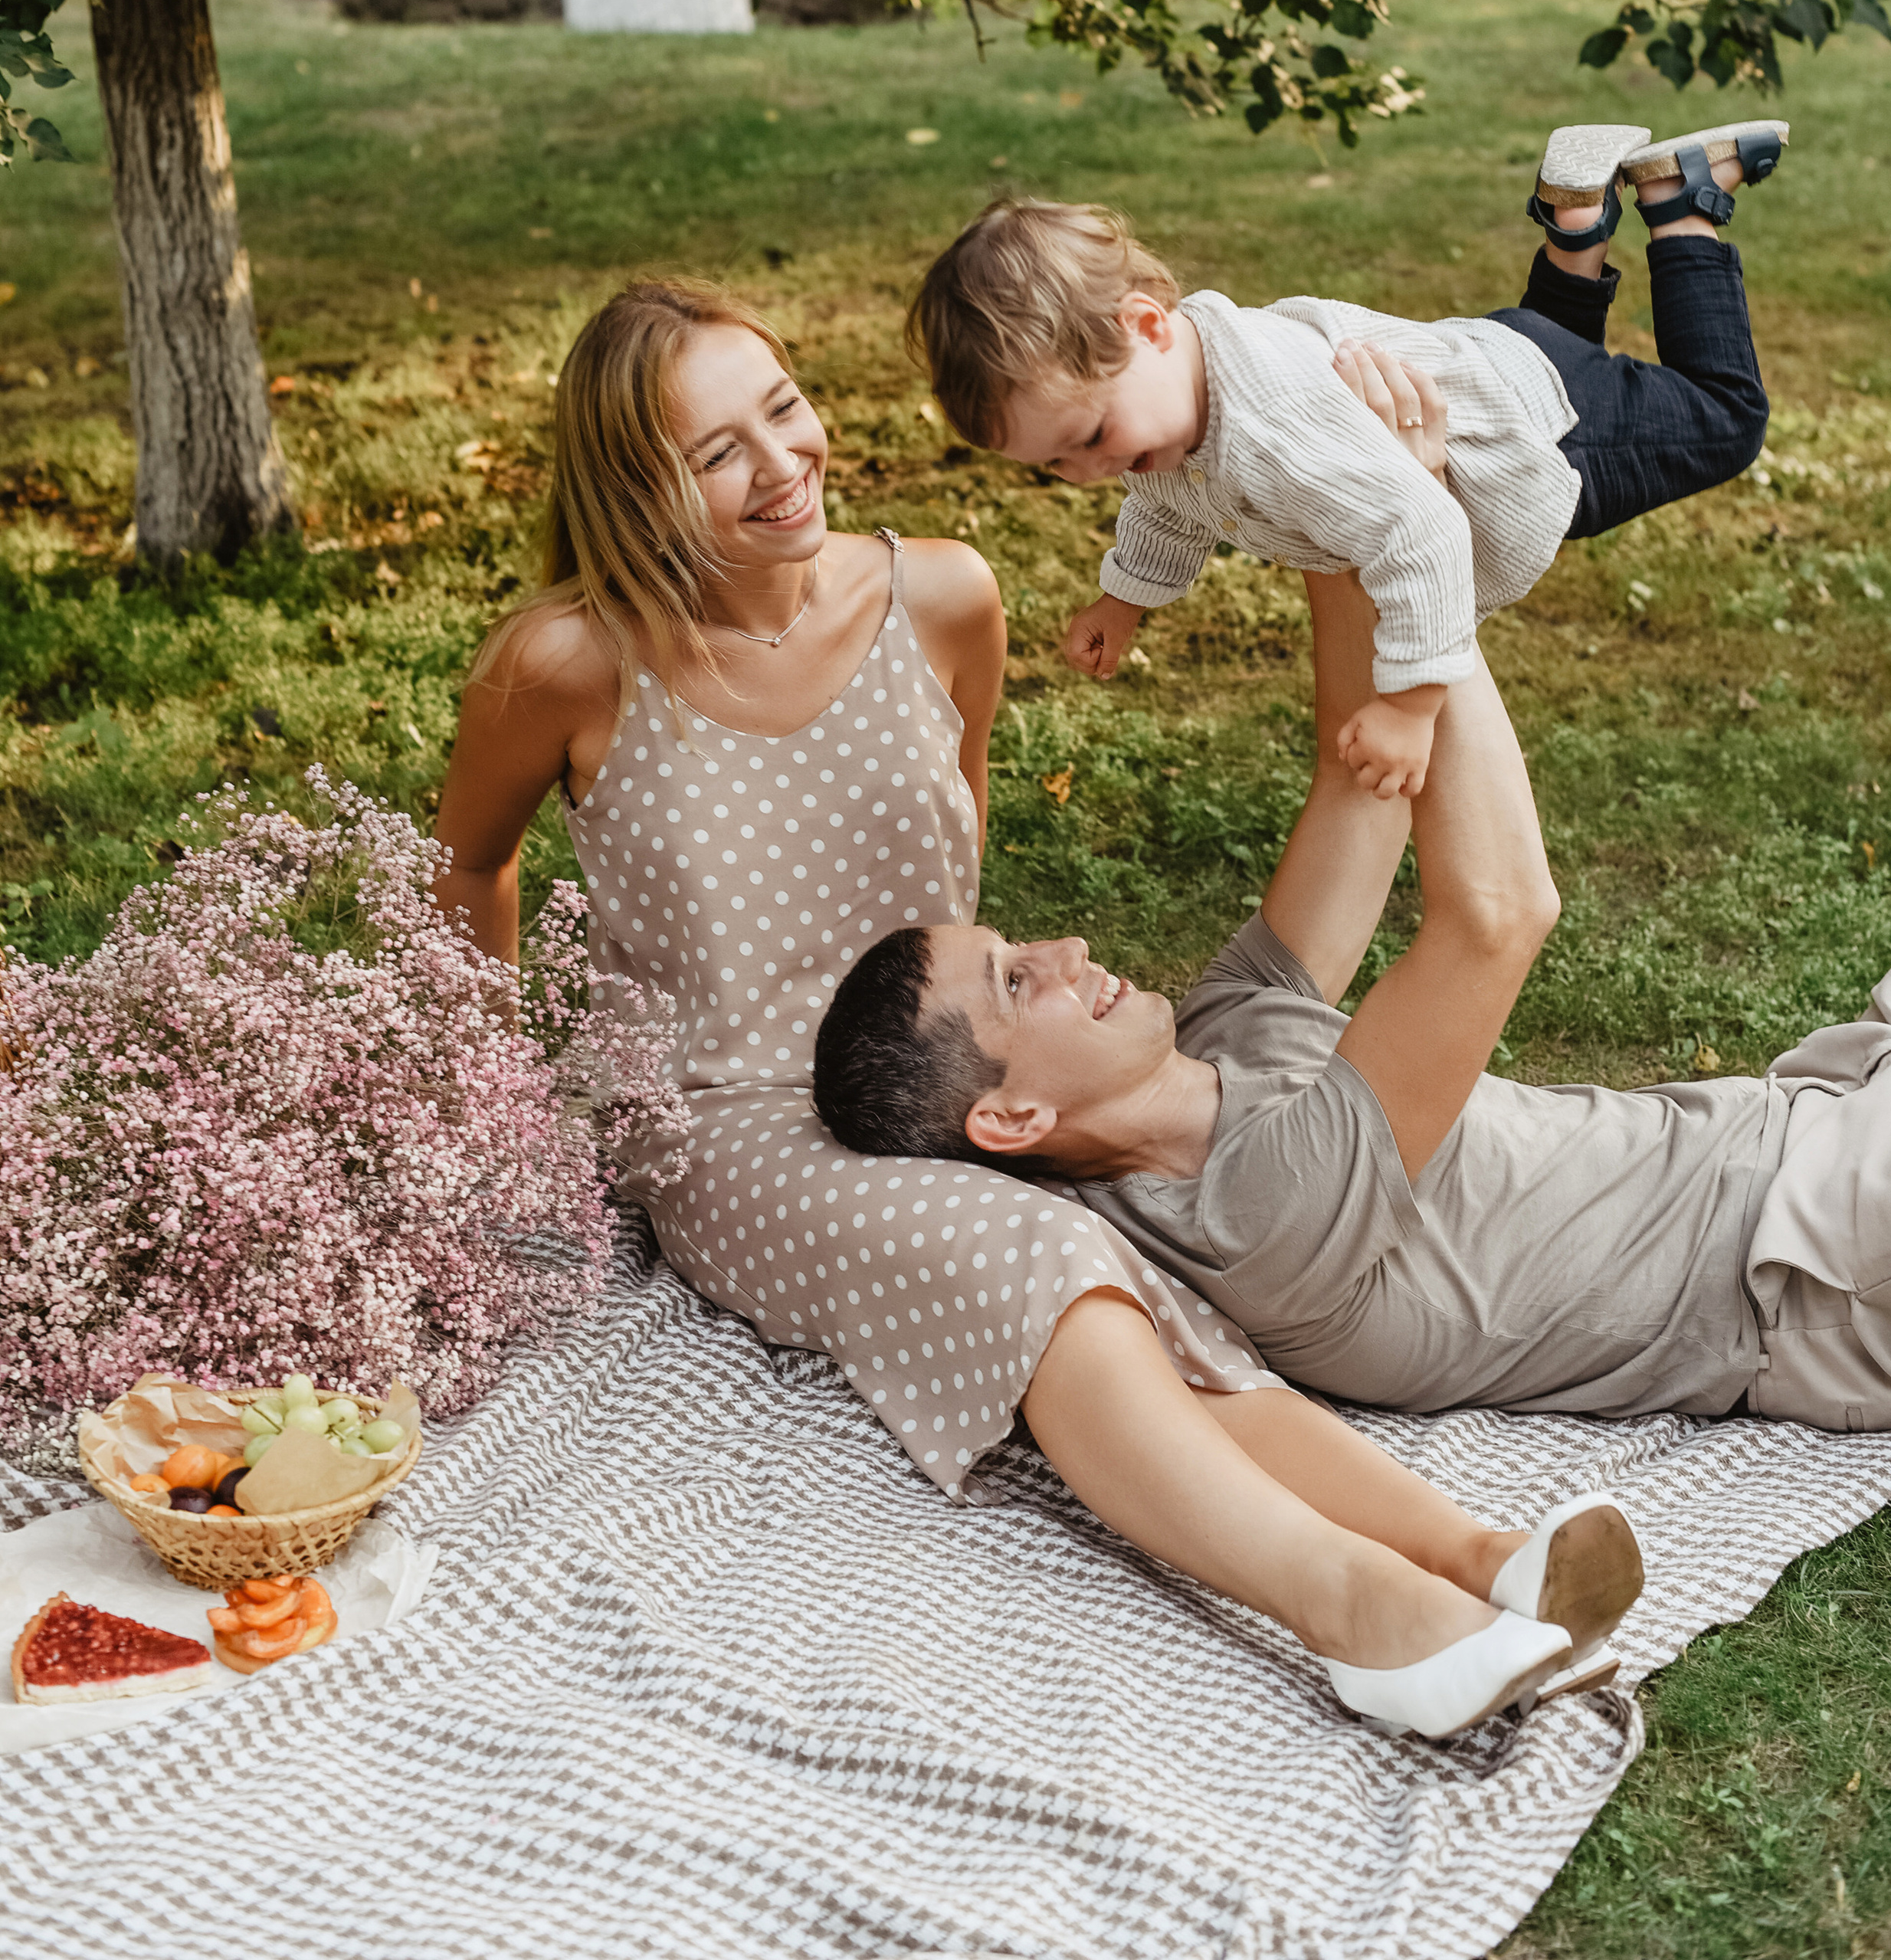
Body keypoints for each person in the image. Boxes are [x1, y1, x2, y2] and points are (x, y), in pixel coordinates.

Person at [433, 277, 1644, 1741]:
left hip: (951, 1061)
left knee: (1156, 1293)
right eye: (716, 454)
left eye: (786, 408)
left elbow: (963, 840)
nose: (783, 463)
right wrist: (486, 1110)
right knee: (1053, 1255)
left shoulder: (944, 594)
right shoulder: (562, 663)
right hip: (736, 1114)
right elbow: (473, 867)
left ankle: (1472, 1553)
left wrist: (1002, 1047)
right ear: (637, 487)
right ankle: (1362, 1613)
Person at [814, 383, 1891, 1446]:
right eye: (1018, 981)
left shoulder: (1226, 1031)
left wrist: (1326, 476)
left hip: (1838, 1099)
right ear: (1012, 1120)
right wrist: (1419, 533)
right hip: (1837, 1252)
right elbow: (1500, 914)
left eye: (1022, 946)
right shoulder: (1254, 1220)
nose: (1066, 951)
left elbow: (1357, 768)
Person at [910, 116, 1785, 798]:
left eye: (1093, 441)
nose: (1095, 473)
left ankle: (1679, 205)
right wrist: (1126, 596)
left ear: (1143, 325)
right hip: (1492, 358)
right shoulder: (1174, 405)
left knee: (1726, 419)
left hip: (1543, 428)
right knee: (1556, 345)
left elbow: (1425, 536)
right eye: (1057, 467)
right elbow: (1163, 503)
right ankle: (1577, 222)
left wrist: (1409, 705)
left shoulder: (1274, 431)